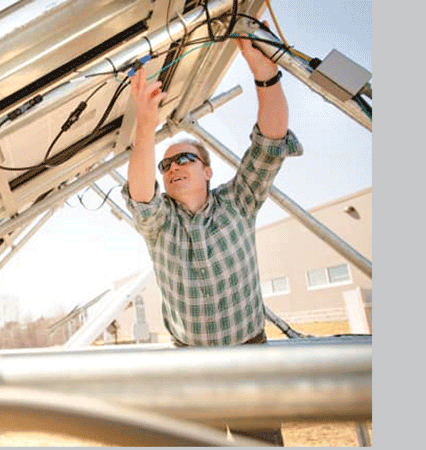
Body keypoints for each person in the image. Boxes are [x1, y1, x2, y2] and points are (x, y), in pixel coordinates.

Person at [120, 33, 303, 446]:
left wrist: (266, 75)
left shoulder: (239, 200)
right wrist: (145, 125)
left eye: (184, 158)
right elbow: (140, 194)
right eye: (166, 165)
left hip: (249, 358)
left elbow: (270, 141)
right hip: (191, 364)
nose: (172, 168)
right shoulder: (161, 223)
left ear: (207, 171)